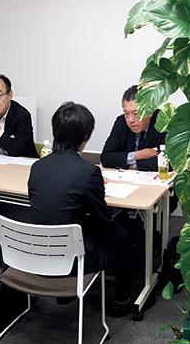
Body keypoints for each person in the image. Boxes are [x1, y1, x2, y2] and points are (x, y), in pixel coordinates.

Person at [28, 102, 141, 317]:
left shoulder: (37, 167)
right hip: (73, 258)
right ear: (85, 137)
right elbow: (103, 221)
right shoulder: (88, 172)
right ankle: (121, 301)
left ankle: (66, 290)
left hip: (38, 251)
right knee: (131, 234)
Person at [101, 85, 165, 171]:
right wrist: (137, 155)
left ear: (150, 111)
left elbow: (170, 161)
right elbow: (106, 157)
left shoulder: (164, 121)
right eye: (126, 113)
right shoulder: (121, 122)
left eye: (136, 113)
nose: (130, 120)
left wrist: (133, 164)